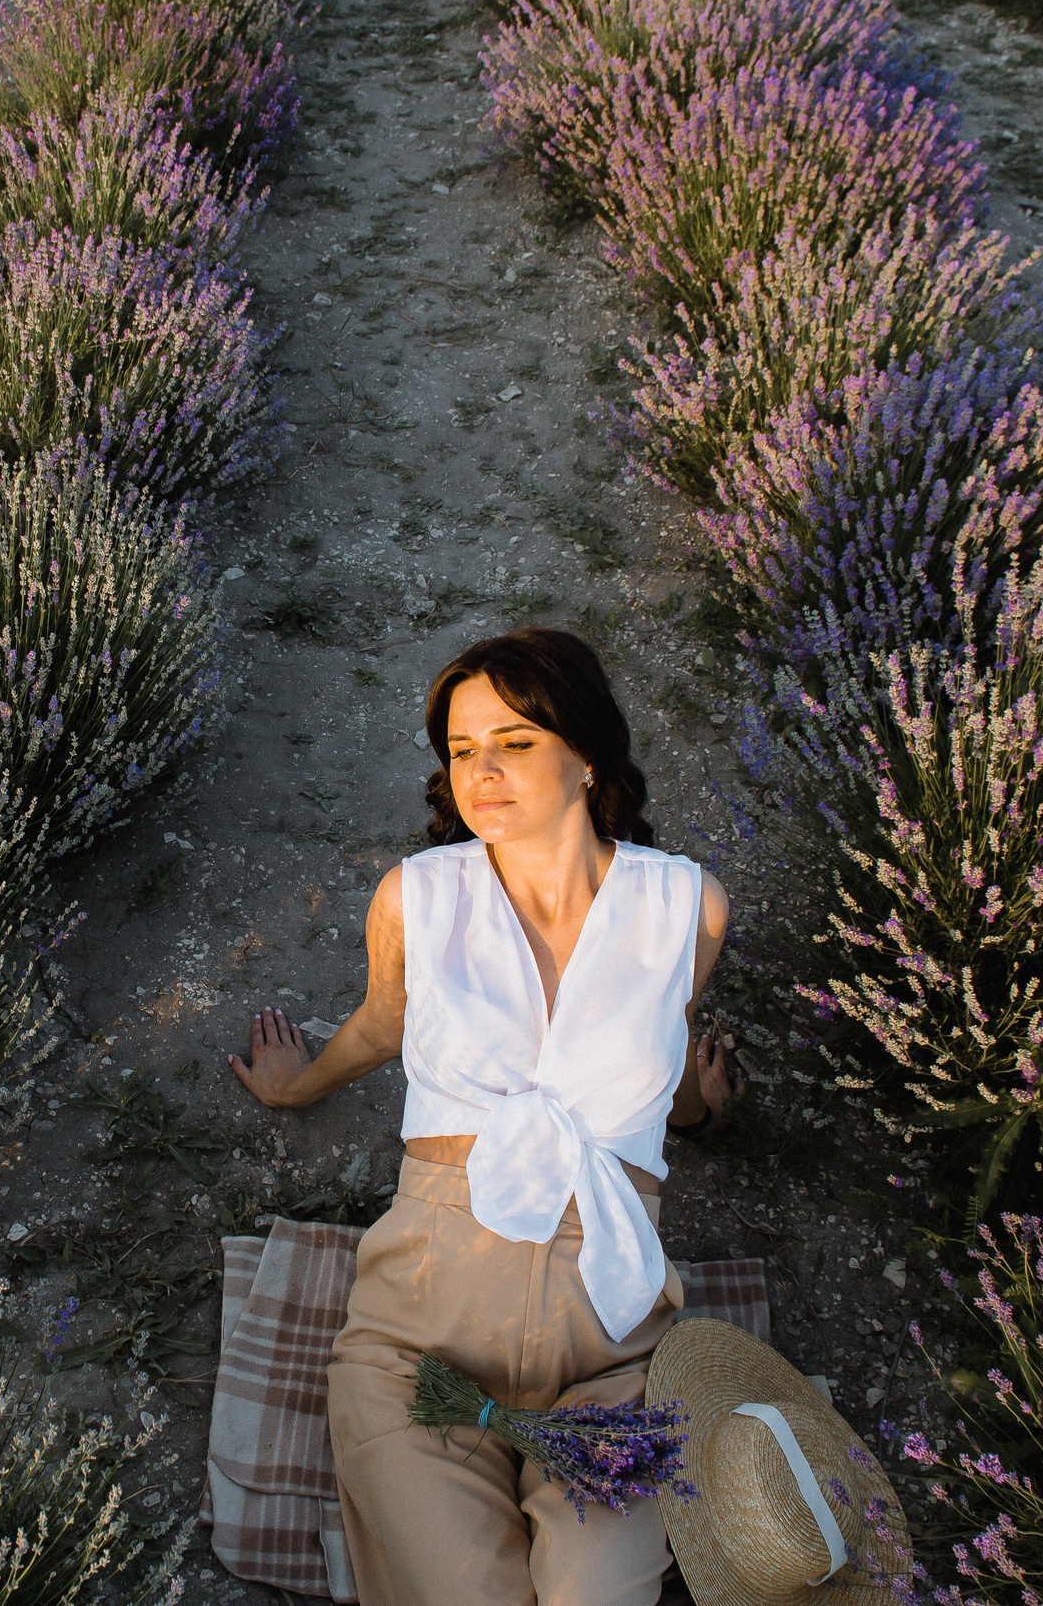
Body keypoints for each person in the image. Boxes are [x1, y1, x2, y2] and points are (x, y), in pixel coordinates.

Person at [228, 626, 743, 1606]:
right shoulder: (418, 899)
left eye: (513, 741)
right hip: (421, 1352)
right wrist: (294, 1086)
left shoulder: (687, 907)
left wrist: (694, 1110)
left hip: (614, 1366)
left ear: (586, 752)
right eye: (462, 750)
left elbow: (659, 1039)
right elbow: (384, 1025)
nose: (481, 771)